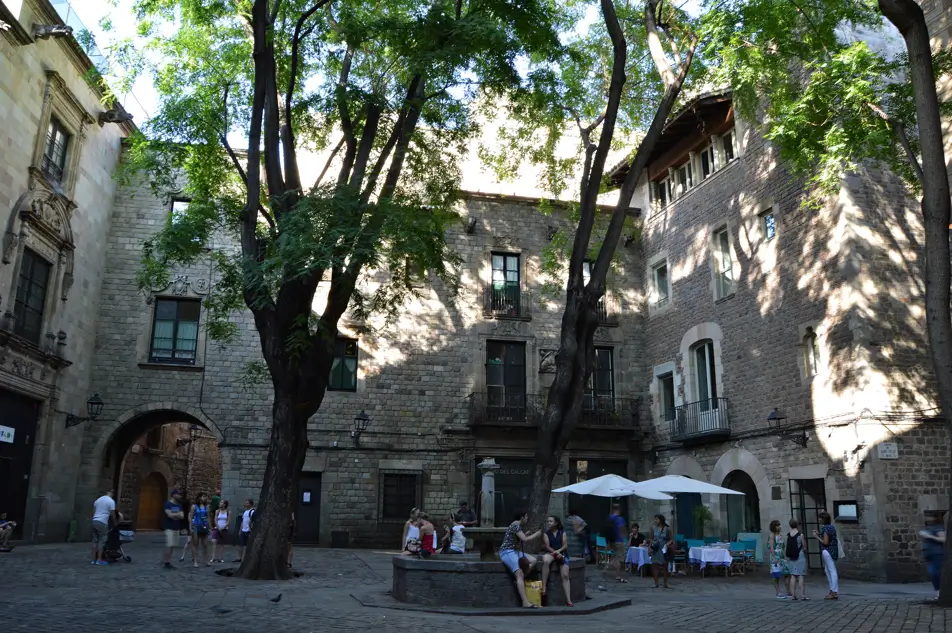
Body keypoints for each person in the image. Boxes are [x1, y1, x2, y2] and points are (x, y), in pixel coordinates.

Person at [498, 510, 542, 609]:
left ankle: (520, 579)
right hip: (507, 552)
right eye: (526, 516)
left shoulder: (516, 526)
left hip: (514, 551)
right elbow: (524, 539)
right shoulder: (515, 525)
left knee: (533, 560)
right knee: (519, 573)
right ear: (522, 517)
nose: (527, 518)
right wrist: (536, 534)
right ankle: (525, 602)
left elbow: (518, 538)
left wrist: (525, 534)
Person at [541, 516, 574, 607]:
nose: (548, 523)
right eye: (548, 521)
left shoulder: (562, 532)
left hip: (562, 553)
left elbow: (565, 545)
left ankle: (568, 600)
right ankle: (544, 588)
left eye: (551, 521)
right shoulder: (546, 534)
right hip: (551, 553)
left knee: (565, 575)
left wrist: (559, 551)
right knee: (545, 560)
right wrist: (555, 552)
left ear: (556, 523)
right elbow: (547, 546)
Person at [919, 512, 947, 599]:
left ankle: (941, 592)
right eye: (926, 517)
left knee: (936, 573)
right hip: (930, 555)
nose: (927, 519)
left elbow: (943, 539)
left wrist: (929, 536)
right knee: (933, 573)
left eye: (929, 517)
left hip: (937, 554)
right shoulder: (928, 528)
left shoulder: (938, 528)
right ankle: (939, 592)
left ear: (934, 518)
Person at [814, 511, 839, 600]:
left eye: (820, 518)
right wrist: (819, 534)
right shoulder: (831, 527)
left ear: (823, 519)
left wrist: (817, 537)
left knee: (831, 570)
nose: (819, 519)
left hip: (827, 551)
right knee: (828, 570)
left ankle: (834, 591)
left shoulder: (825, 528)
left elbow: (825, 542)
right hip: (833, 550)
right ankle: (832, 590)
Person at [91, 489, 116, 566]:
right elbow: (112, 514)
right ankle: (99, 560)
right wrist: (115, 523)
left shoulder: (98, 500)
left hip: (95, 520)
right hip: (102, 521)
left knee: (94, 541)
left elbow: (94, 511)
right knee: (101, 541)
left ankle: (93, 560)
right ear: (112, 493)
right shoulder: (111, 501)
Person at [767, 519, 791, 599]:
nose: (779, 527)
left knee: (787, 573)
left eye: (779, 525)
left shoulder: (780, 534)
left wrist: (785, 556)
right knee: (776, 575)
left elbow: (783, 546)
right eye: (777, 525)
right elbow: (771, 547)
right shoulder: (772, 535)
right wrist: (774, 557)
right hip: (775, 556)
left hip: (781, 556)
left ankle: (788, 591)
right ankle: (778, 592)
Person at [649, 514, 674, 589]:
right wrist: (650, 547)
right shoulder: (654, 528)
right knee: (654, 565)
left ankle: (665, 583)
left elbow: (671, 539)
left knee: (664, 566)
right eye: (655, 519)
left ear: (661, 520)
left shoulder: (667, 529)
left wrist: (668, 543)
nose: (656, 520)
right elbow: (651, 538)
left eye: (657, 519)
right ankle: (656, 583)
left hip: (663, 549)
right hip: (655, 548)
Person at [785, 518, 808, 600]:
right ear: (797, 525)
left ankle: (793, 595)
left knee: (793, 575)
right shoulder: (800, 535)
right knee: (800, 575)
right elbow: (804, 547)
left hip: (791, 557)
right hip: (800, 556)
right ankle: (803, 595)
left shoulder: (788, 535)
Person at [162, 490, 185, 569]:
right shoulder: (168, 504)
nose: (180, 496)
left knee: (172, 545)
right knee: (169, 544)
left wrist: (175, 514)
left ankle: (169, 561)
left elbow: (182, 516)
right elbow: (169, 515)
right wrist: (177, 514)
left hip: (176, 527)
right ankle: (166, 562)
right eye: (178, 494)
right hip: (169, 527)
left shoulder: (179, 505)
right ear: (173, 495)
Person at [605, 504, 627, 583]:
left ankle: (611, 564)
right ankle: (618, 575)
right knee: (619, 558)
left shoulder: (610, 518)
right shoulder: (620, 519)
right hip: (619, 541)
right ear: (619, 509)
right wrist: (625, 536)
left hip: (612, 541)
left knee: (614, 556)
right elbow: (622, 529)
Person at [189, 492, 211, 568]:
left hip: (204, 526)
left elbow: (208, 517)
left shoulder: (206, 507)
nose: (205, 498)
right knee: (195, 543)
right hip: (196, 526)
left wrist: (210, 527)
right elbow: (191, 517)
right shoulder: (194, 506)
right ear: (199, 497)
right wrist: (190, 527)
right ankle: (195, 561)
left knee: (205, 544)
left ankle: (206, 560)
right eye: (203, 496)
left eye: (205, 496)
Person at [235, 499, 255, 563]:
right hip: (243, 530)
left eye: (247, 503)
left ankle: (245, 558)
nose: (246, 504)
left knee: (246, 546)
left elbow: (252, 521)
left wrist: (251, 529)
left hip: (248, 531)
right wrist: (240, 530)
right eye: (246, 503)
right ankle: (239, 557)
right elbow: (243, 521)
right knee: (240, 545)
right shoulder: (245, 512)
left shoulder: (252, 511)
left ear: (251, 504)